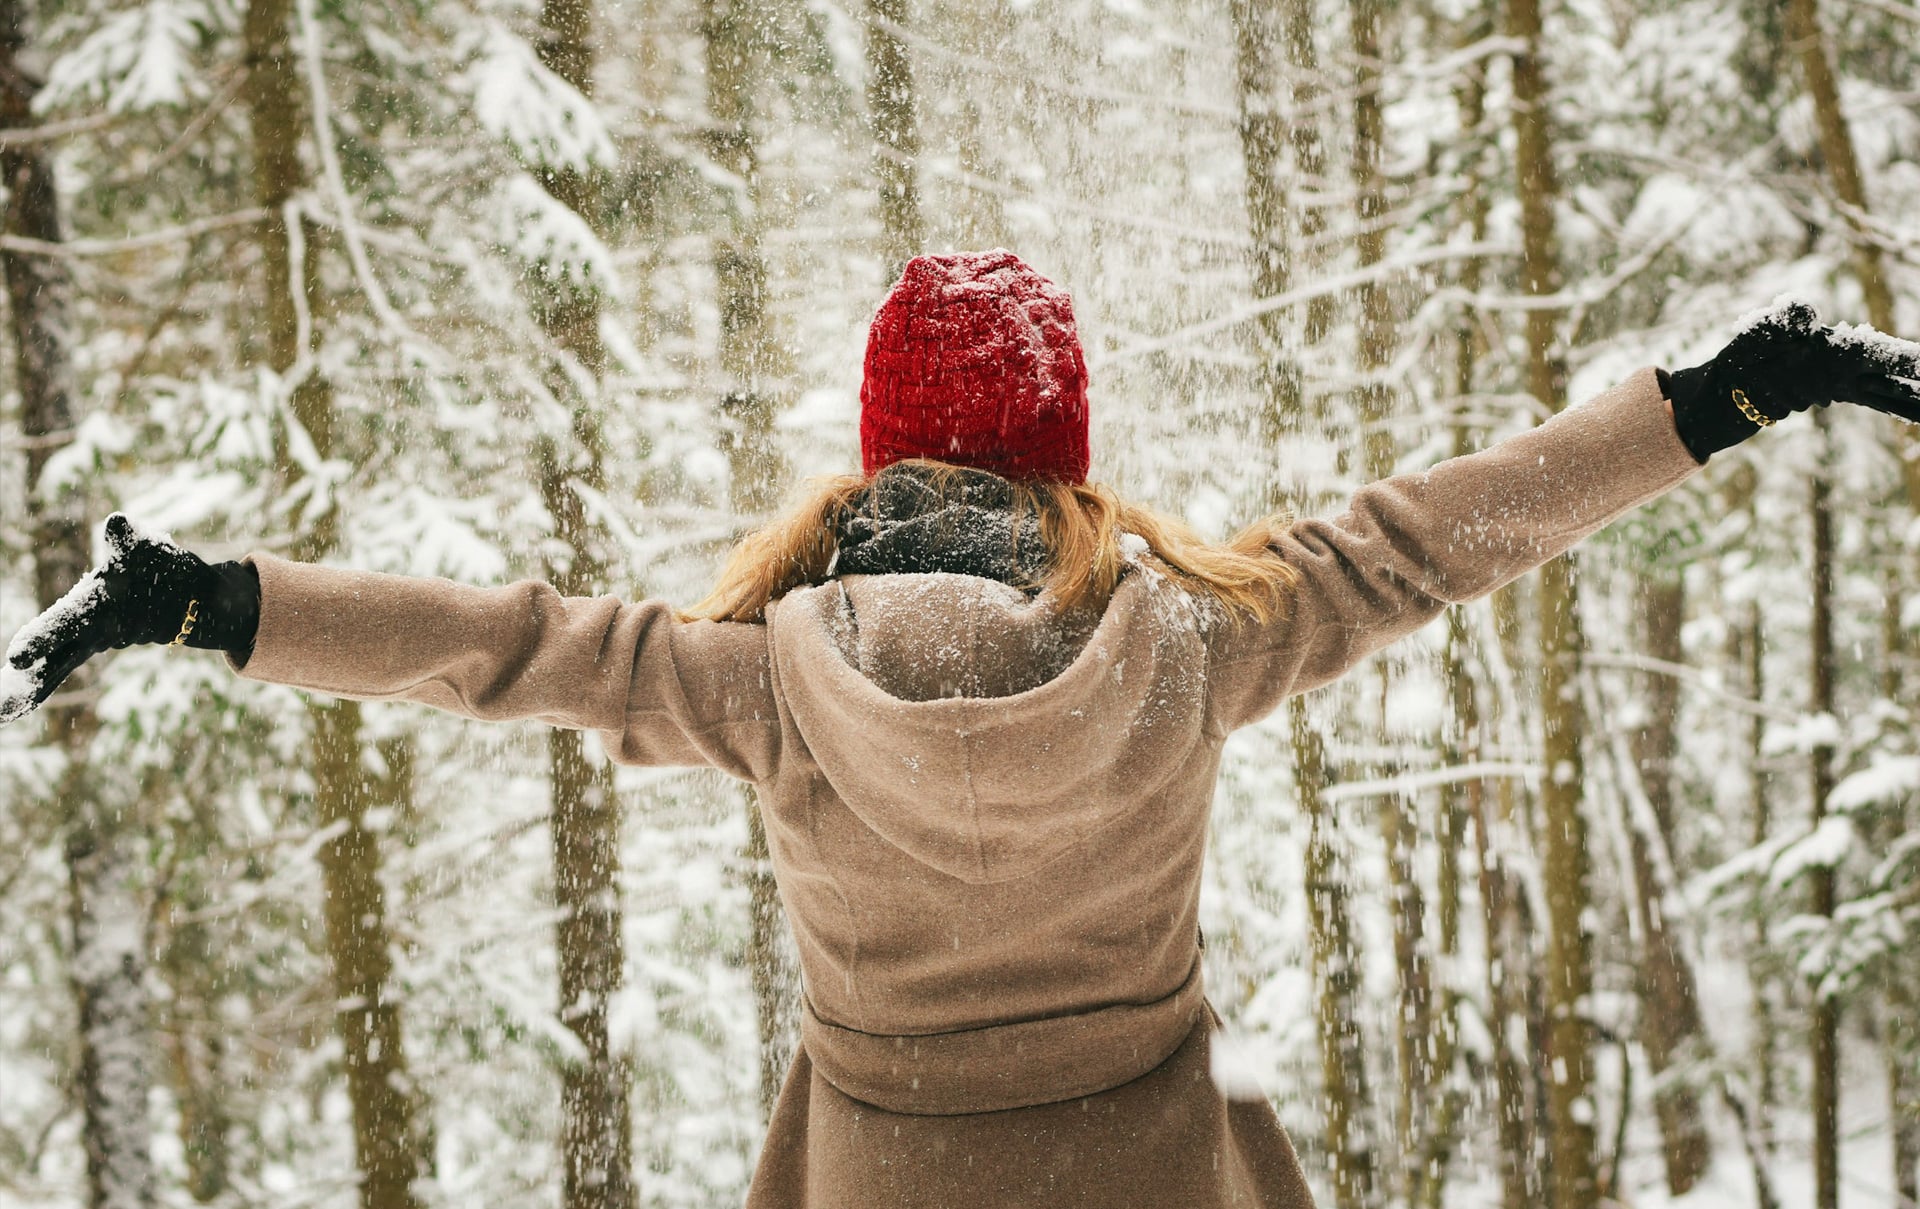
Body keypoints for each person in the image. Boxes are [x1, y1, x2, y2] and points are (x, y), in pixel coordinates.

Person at [4, 251, 1919, 1208]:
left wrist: (211, 600)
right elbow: (1437, 537)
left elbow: (509, 651)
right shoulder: (1191, 642)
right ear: (1065, 451)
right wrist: (1728, 391)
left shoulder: (762, 679)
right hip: (1162, 1173)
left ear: (880, 445)